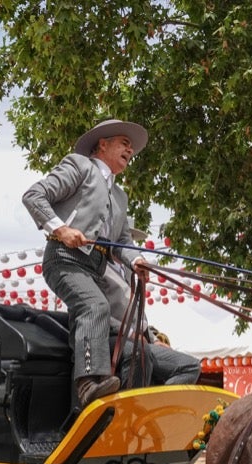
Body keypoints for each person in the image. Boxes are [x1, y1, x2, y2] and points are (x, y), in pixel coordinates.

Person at [22, 118, 150, 406]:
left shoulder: (120, 195)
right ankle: (88, 383)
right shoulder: (80, 165)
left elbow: (122, 243)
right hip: (64, 258)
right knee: (94, 306)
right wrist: (61, 229)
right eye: (124, 143)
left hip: (96, 267)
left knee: (109, 322)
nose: (130, 150)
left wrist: (137, 261)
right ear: (101, 144)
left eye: (132, 147)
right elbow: (34, 195)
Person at [100, 254, 201, 388]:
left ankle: (157, 407)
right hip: (112, 337)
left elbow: (138, 316)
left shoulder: (129, 269)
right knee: (139, 350)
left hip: (141, 340)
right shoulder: (98, 266)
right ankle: (134, 406)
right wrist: (130, 333)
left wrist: (155, 340)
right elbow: (97, 311)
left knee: (191, 366)